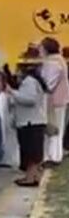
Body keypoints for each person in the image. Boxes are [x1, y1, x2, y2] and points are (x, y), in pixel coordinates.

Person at [8, 54, 47, 187]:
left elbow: (30, 99)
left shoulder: (29, 82)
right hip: (31, 121)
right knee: (33, 152)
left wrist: (12, 92)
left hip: (30, 122)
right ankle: (33, 176)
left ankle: (30, 178)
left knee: (30, 153)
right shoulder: (33, 81)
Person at [41, 37, 69, 166]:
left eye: (41, 47)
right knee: (58, 127)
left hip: (53, 100)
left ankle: (52, 156)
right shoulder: (60, 60)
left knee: (52, 128)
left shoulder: (52, 63)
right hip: (60, 99)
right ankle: (55, 155)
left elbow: (48, 83)